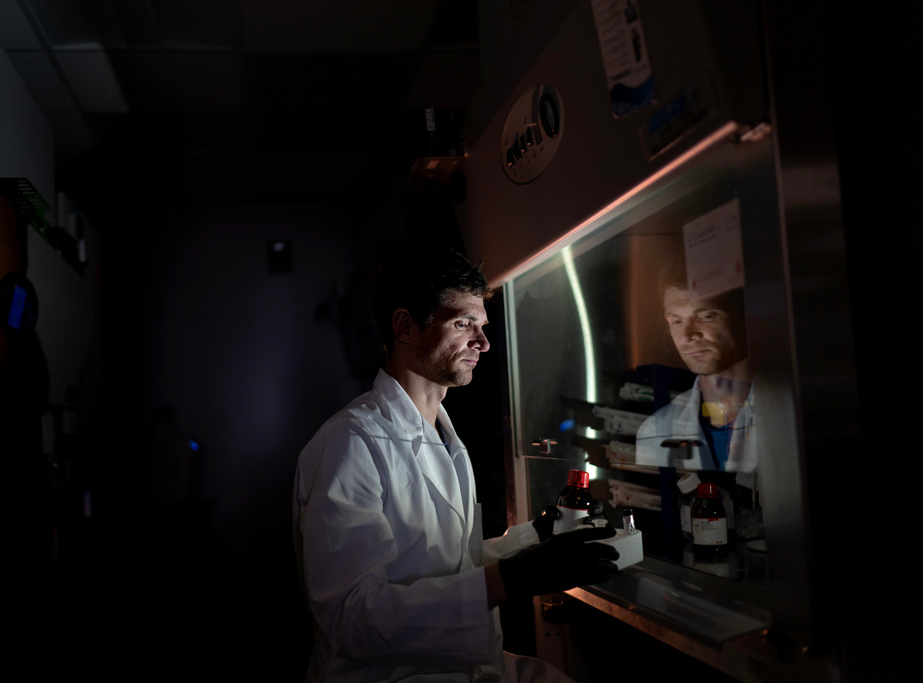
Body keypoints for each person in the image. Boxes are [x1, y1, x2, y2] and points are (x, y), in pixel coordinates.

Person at [293, 244, 619, 682]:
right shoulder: (350, 443)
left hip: (458, 667)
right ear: (405, 326)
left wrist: (536, 538)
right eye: (463, 324)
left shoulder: (444, 437)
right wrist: (508, 579)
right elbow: (353, 619)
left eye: (481, 325)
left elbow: (446, 566)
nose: (483, 342)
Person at [635, 279, 756, 476]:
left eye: (706, 316)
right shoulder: (655, 433)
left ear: (745, 316)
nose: (685, 336)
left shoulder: (794, 416)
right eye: (676, 321)